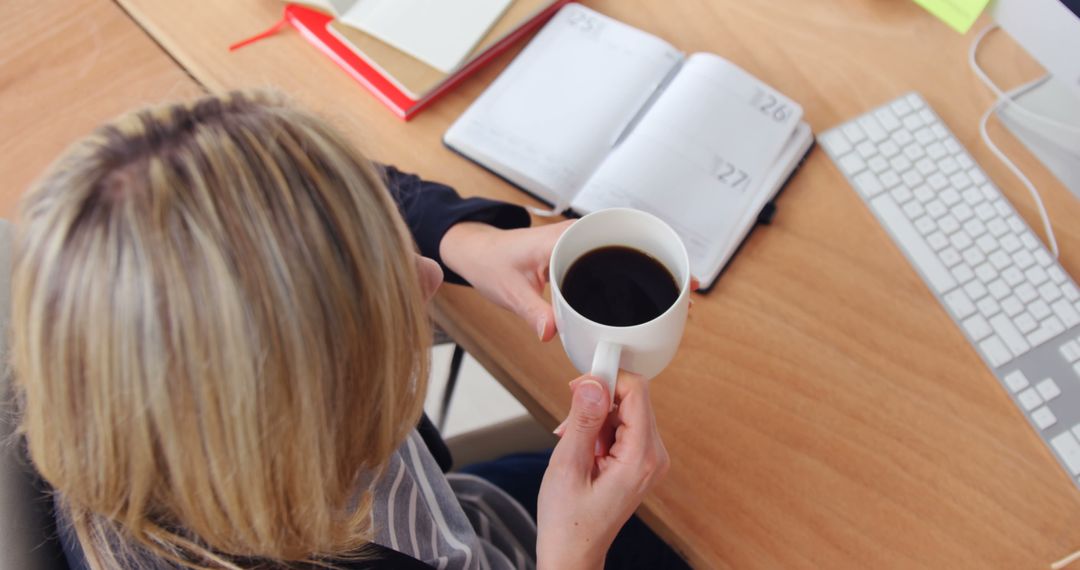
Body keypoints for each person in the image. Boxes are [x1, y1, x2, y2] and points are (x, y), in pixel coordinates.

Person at [8, 91, 684, 569]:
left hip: (470, 518)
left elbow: (338, 185)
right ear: (303, 407)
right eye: (384, 291)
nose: (426, 277)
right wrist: (575, 554)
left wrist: (464, 240)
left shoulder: (138, 370)